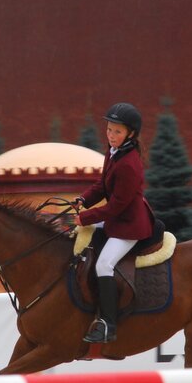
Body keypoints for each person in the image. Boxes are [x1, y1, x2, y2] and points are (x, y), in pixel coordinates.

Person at [73, 102, 155, 343]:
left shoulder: (129, 164)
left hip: (129, 226)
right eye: (109, 129)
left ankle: (108, 325)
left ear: (131, 133)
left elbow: (117, 206)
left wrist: (85, 217)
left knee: (104, 265)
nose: (111, 135)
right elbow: (102, 185)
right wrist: (83, 199)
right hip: (117, 220)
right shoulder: (113, 152)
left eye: (117, 131)